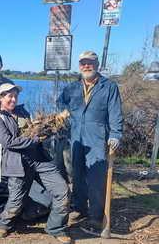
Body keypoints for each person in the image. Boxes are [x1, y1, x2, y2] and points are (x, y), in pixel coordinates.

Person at [0, 83, 71, 244]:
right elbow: (8, 141)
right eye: (9, 96)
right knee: (16, 200)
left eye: (15, 96)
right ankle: (3, 223)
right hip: (17, 163)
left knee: (62, 190)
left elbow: (35, 128)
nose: (13, 99)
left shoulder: (22, 112)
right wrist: (33, 140)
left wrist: (48, 129)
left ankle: (56, 227)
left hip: (40, 160)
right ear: (1, 98)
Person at [57, 51, 123, 231]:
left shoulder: (109, 86)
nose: (86, 66)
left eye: (90, 63)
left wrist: (115, 134)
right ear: (79, 65)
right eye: (83, 63)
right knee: (77, 175)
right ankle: (79, 208)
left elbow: (116, 113)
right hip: (76, 137)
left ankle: (95, 215)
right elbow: (60, 102)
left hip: (97, 137)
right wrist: (63, 112)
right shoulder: (72, 87)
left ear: (97, 64)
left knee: (96, 178)